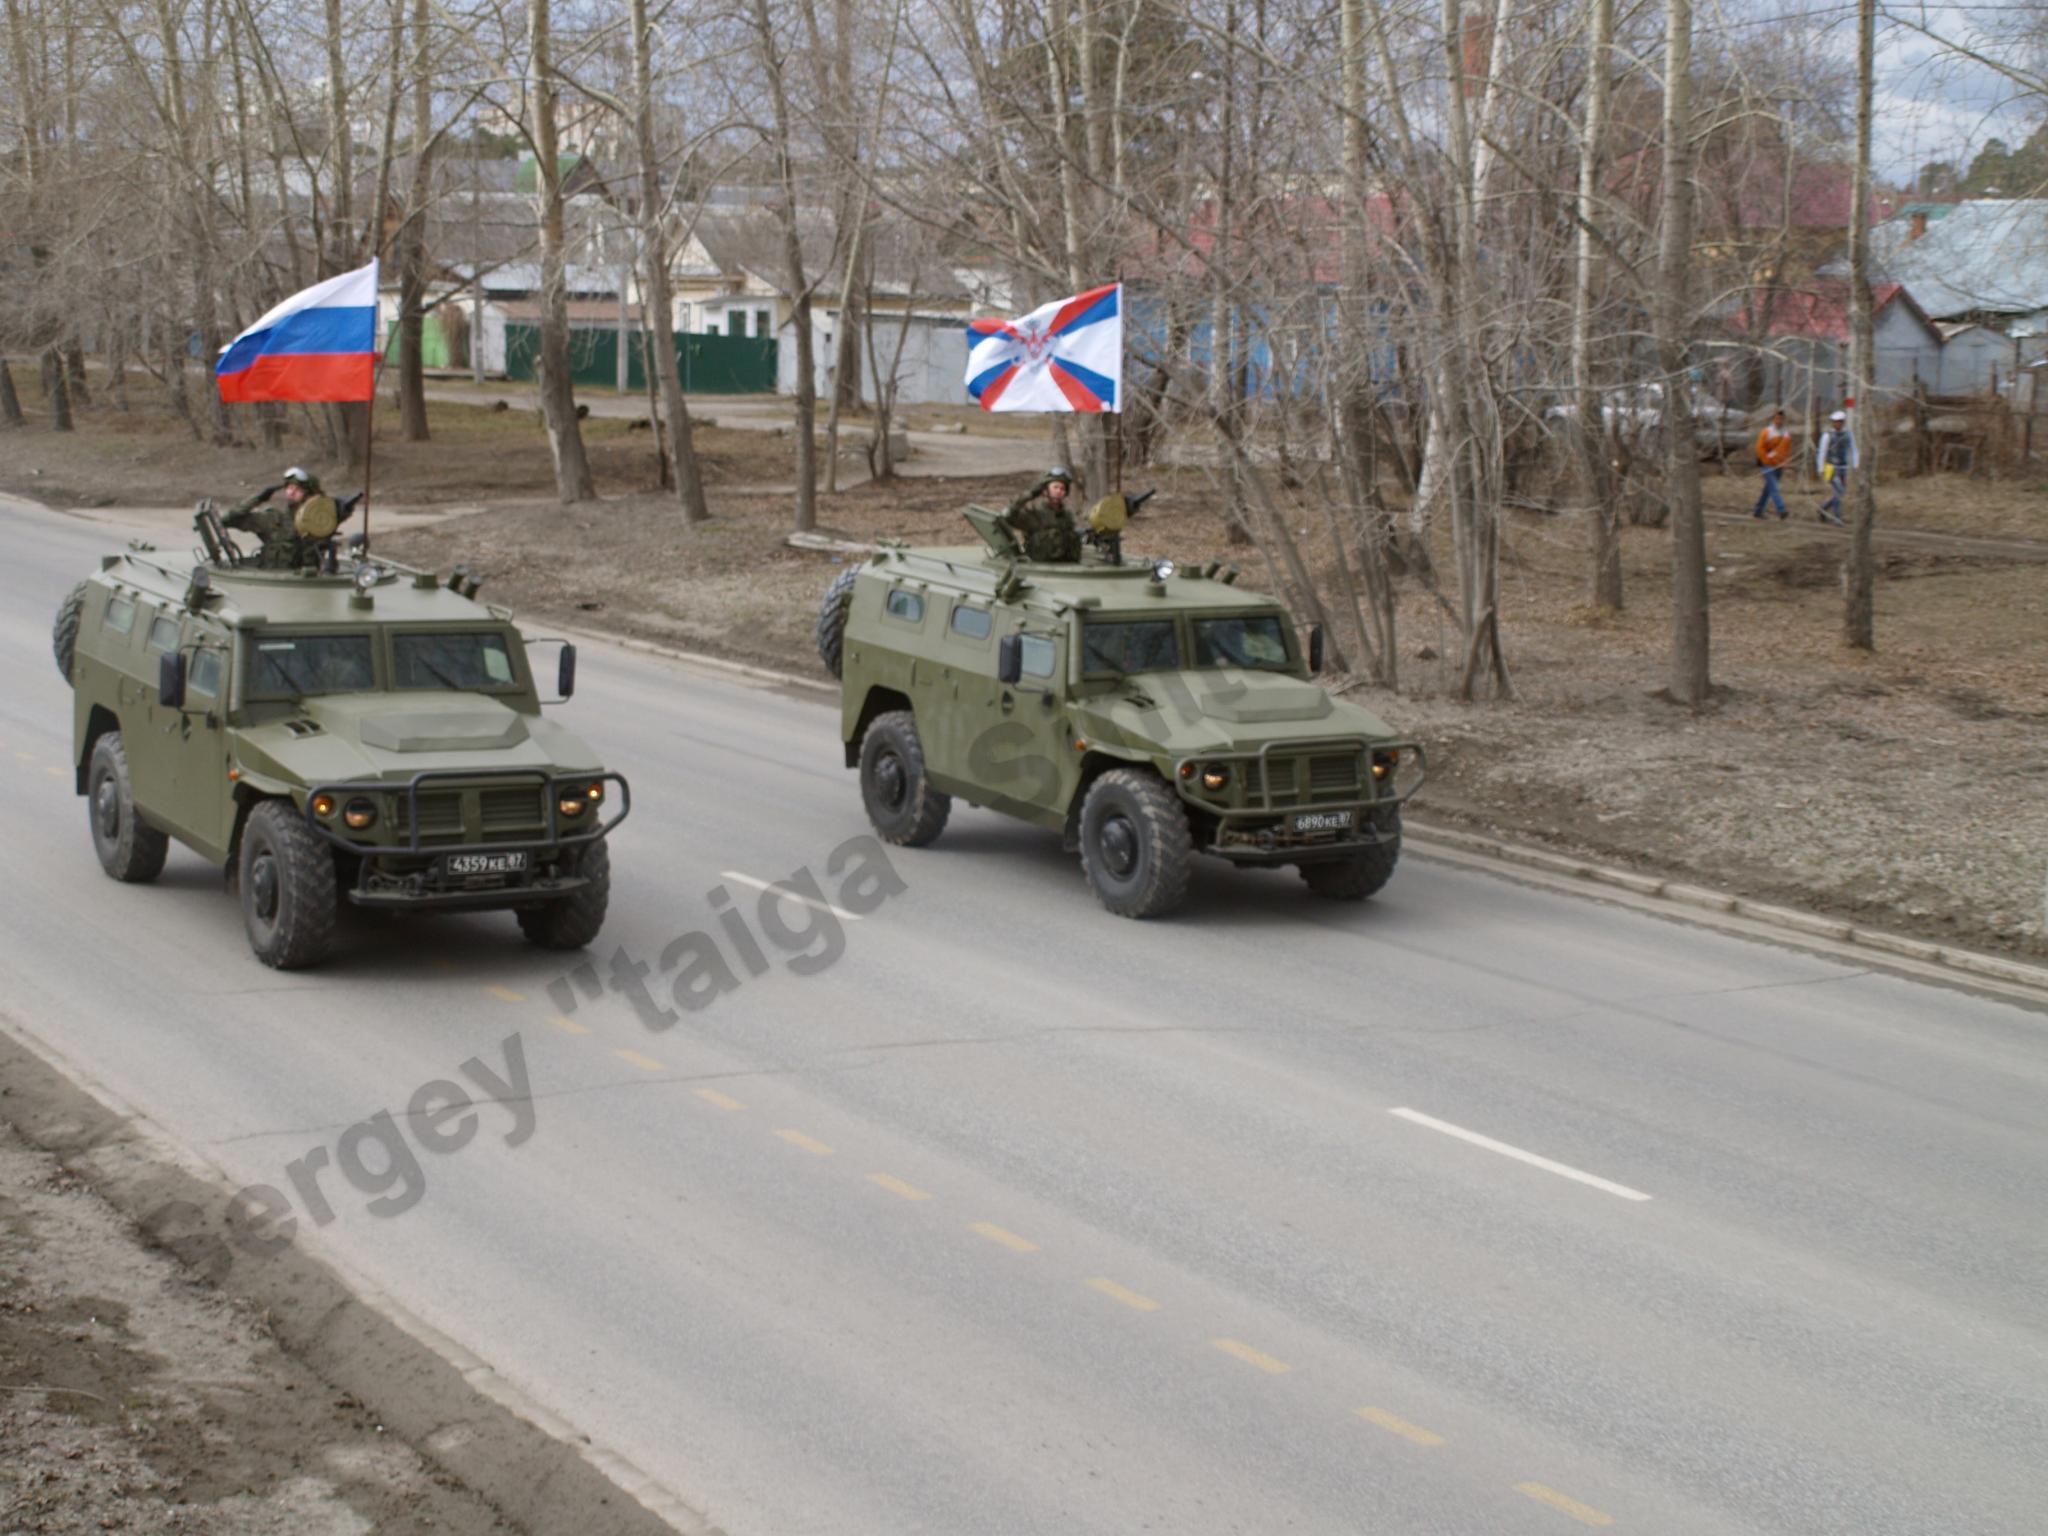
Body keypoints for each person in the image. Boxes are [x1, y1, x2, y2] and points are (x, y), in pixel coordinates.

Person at [223, 466, 341, 569]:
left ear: (309, 494)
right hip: (270, 583)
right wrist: (258, 499)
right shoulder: (273, 519)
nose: (291, 492)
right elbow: (228, 520)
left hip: (301, 587)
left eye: (298, 489)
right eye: (289, 488)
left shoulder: (319, 525)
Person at [1000, 467, 1083, 562]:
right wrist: (1029, 495)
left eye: (1062, 488)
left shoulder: (1067, 516)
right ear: (1045, 491)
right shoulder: (1034, 515)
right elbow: (1007, 515)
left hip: (1068, 568)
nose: (1059, 491)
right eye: (1055, 487)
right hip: (1039, 569)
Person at [1814, 409, 1857, 526]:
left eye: (1839, 421)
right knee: (1839, 491)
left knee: (1841, 492)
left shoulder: (1848, 434)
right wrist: (1820, 468)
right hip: (1831, 467)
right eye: (1834, 421)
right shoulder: (1827, 435)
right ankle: (1837, 517)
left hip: (1843, 467)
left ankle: (1823, 509)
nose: (1836, 424)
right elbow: (1822, 452)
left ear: (1842, 422)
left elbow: (1853, 449)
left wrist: (1855, 463)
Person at [1752, 408, 1793, 519]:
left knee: (1768, 489)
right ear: (1773, 419)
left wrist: (1785, 461)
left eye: (1781, 419)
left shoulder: (1786, 434)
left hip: (1779, 465)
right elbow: (1760, 449)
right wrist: (1766, 461)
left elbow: (1786, 450)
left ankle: (1758, 510)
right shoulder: (1767, 432)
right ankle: (1782, 510)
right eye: (1777, 418)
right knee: (1774, 488)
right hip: (1767, 464)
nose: (1779, 421)